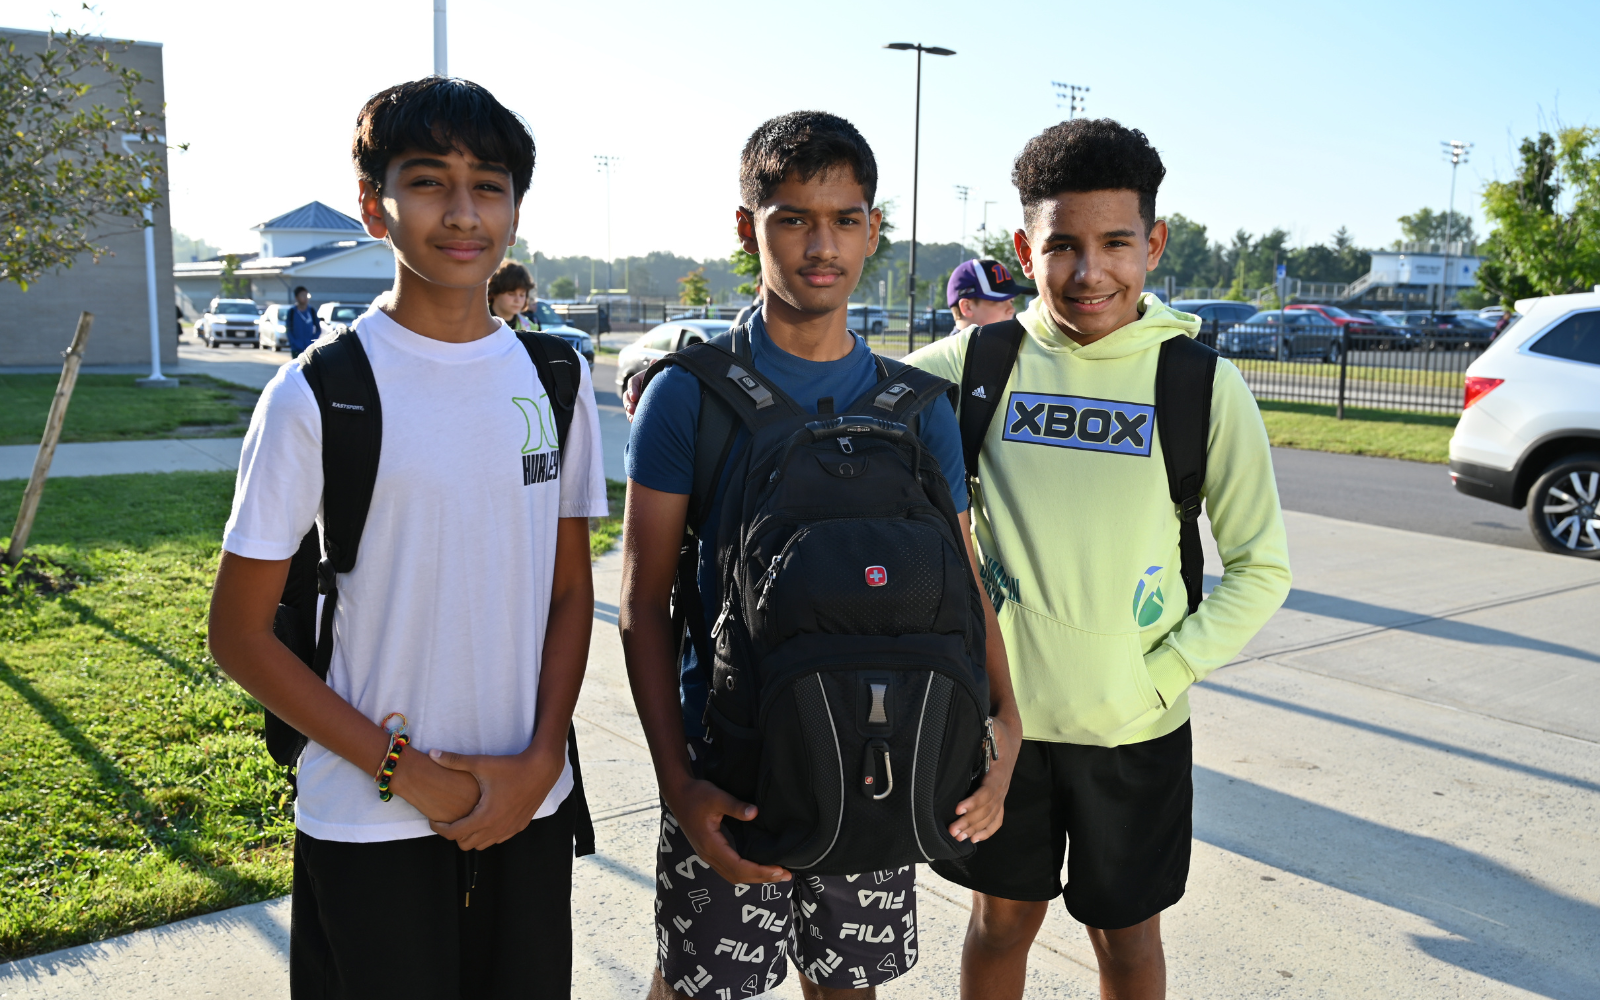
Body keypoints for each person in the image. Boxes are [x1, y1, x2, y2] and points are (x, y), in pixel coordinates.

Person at [207, 77, 608, 999]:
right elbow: (238, 635)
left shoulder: (555, 377)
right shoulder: (318, 392)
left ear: (515, 207)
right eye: (429, 182)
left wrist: (542, 759)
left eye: (491, 186)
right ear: (373, 204)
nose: (463, 214)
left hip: (528, 805)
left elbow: (568, 595)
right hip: (370, 819)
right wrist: (408, 774)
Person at [620, 110, 1022, 1000]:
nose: (821, 245)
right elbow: (642, 604)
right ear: (745, 228)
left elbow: (963, 583)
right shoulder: (690, 397)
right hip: (732, 777)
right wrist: (680, 785)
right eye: (793, 218)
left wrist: (1008, 724)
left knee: (849, 989)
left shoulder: (918, 411)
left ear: (873, 230)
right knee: (698, 989)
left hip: (881, 762)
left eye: (845, 219)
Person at [903, 118, 1292, 1000]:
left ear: (1153, 243)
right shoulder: (975, 364)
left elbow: (1263, 568)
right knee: (1001, 925)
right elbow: (845, 390)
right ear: (1022, 249)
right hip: (1004, 730)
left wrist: (1165, 674)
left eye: (1117, 243)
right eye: (1062, 246)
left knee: (1127, 942)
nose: (1089, 272)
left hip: (1136, 730)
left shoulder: (1197, 384)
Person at [947, 258, 1028, 334]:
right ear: (967, 307)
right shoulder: (946, 349)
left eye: (1011, 301)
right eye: (1000, 300)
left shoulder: (1004, 347)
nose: (1012, 309)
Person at [489, 259, 538, 331]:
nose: (517, 300)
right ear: (494, 292)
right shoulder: (474, 322)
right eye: (511, 294)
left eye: (522, 295)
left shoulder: (530, 329)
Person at [285, 286, 321, 356]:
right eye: (302, 295)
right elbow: (288, 330)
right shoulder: (292, 312)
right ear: (296, 298)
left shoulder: (312, 311)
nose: (305, 297)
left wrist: (312, 341)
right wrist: (294, 342)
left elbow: (318, 329)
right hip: (296, 349)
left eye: (306, 295)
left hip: (309, 349)